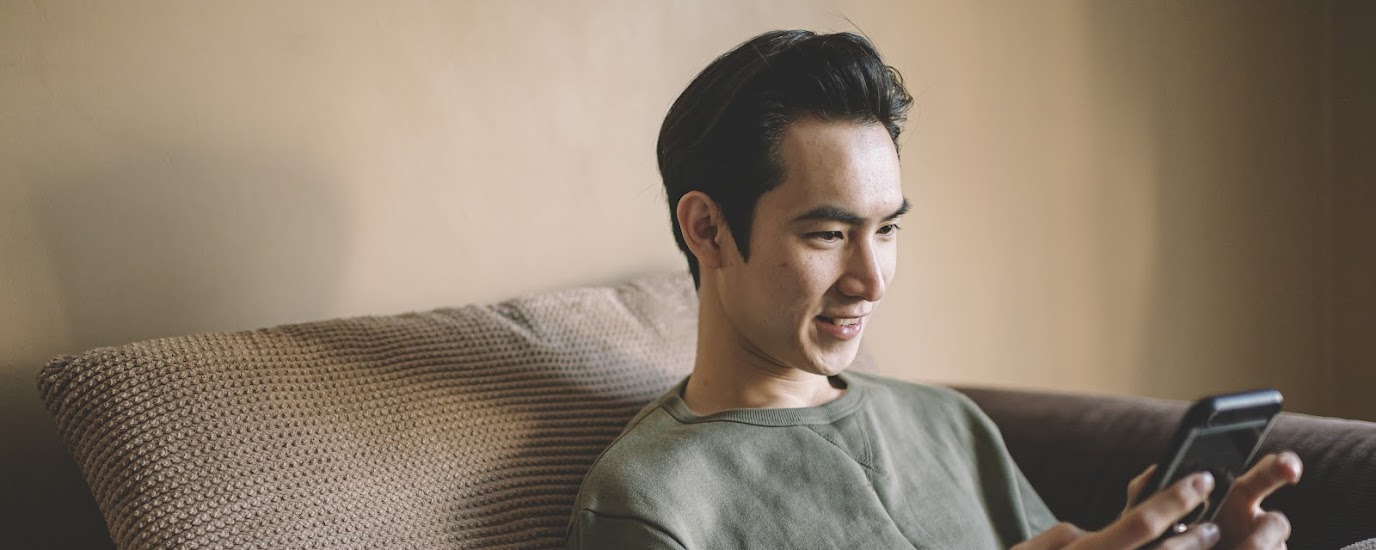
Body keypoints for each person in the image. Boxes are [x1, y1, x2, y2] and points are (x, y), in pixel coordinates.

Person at [565, 29, 1301, 549]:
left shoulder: (950, 425)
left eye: (886, 229)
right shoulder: (651, 504)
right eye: (827, 234)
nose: (872, 280)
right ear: (708, 230)